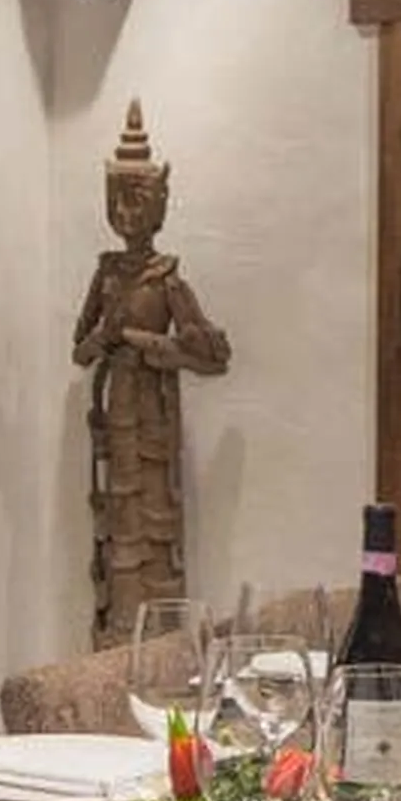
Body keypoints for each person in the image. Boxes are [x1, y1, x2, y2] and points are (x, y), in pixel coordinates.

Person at [73, 102, 230, 639]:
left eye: (136, 200)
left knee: (155, 527)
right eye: (117, 200)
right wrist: (104, 339)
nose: (126, 213)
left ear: (159, 205)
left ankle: (159, 644)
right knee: (118, 528)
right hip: (115, 414)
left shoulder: (167, 279)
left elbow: (211, 357)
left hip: (154, 416)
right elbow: (80, 351)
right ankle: (117, 638)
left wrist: (156, 346)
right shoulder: (107, 273)